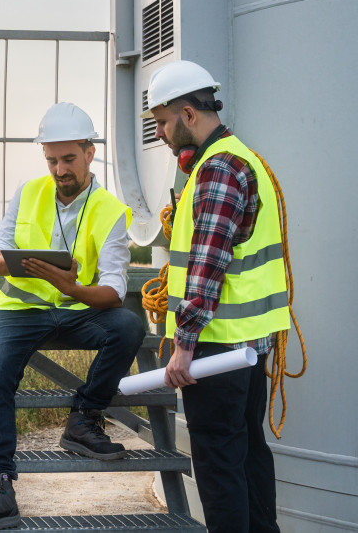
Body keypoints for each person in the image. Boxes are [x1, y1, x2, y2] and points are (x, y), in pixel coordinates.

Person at [0, 102, 143, 533]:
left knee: (130, 325)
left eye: (69, 159)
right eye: (51, 160)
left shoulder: (111, 211)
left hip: (78, 309)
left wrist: (71, 287)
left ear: (90, 152)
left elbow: (115, 291)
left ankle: (83, 418)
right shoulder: (28, 191)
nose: (60, 170)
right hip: (21, 310)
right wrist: (31, 266)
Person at [145, 59, 289, 533]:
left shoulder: (217, 170)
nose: (162, 134)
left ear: (188, 115)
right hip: (246, 346)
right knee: (247, 454)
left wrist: (184, 345)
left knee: (218, 464)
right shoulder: (242, 157)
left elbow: (207, 265)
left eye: (163, 122)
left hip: (215, 349)